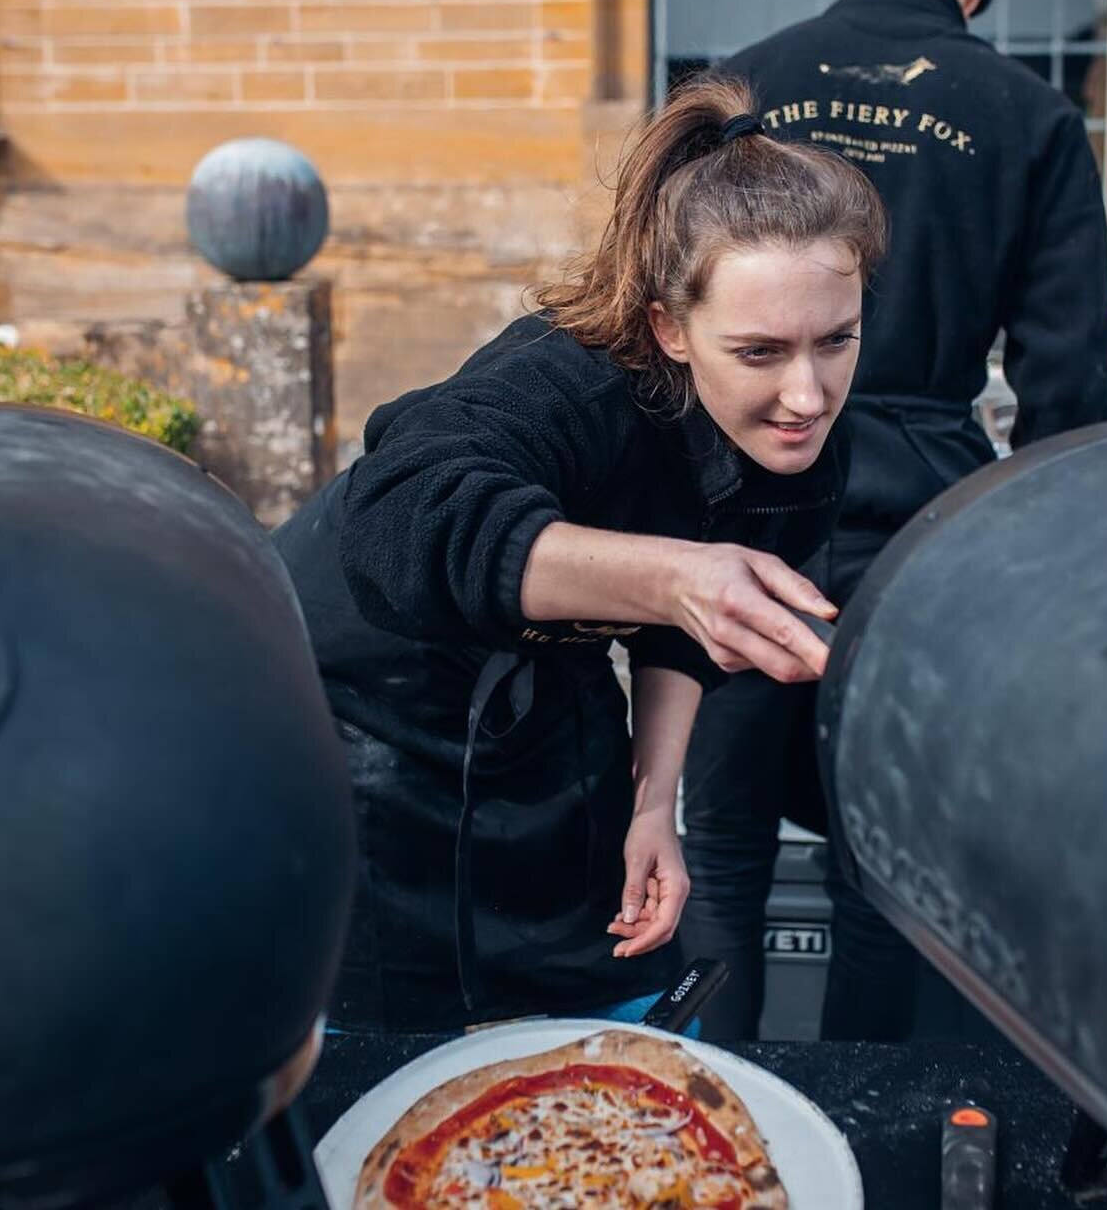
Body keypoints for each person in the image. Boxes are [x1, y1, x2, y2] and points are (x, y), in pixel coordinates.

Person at [273, 76, 888, 1033]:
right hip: (350, 694)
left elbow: (686, 637)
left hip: (542, 683)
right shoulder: (564, 386)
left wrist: (656, 805)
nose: (808, 396)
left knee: (616, 980)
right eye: (760, 352)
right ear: (669, 329)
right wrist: (677, 575)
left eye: (836, 341)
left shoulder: (804, 440)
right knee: (385, 1018)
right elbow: (394, 515)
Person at [680, 0, 1107, 1042]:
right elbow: (1067, 382)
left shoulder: (742, 86)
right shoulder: (1029, 113)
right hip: (922, 533)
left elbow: (661, 310)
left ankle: (717, 1114)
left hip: (739, 509)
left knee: (719, 846)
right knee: (880, 867)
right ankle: (867, 1123)